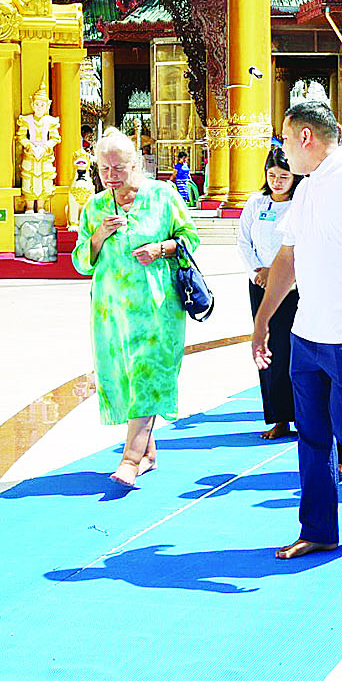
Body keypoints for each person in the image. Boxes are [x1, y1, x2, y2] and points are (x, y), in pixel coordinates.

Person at [251, 102, 342, 557]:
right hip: (307, 332)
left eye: (285, 137)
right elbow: (288, 258)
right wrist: (263, 321)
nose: (282, 148)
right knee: (312, 435)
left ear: (306, 136)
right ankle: (318, 528)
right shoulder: (308, 188)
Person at [71, 128, 200, 487]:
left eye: (119, 168)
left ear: (134, 165)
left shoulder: (162, 196)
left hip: (157, 307)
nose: (111, 176)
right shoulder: (95, 206)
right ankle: (147, 454)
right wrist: (99, 235)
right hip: (111, 311)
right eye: (104, 169)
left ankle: (129, 459)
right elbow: (81, 262)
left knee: (148, 374)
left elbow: (190, 238)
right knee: (125, 378)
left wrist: (160, 249)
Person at [238, 147, 300, 440]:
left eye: (283, 176)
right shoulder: (256, 203)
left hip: (294, 289)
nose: (277, 181)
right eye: (272, 175)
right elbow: (243, 241)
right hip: (261, 285)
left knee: (293, 351)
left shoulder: (301, 204)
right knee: (268, 349)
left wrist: (282, 276)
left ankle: (303, 414)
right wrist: (258, 272)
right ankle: (278, 417)